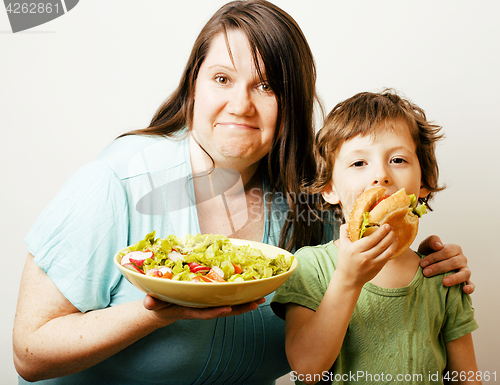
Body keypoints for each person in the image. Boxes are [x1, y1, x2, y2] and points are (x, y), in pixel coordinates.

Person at [13, 2, 473, 384]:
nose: (241, 104)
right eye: (222, 79)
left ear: (291, 101)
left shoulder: (311, 202)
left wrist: (430, 263)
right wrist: (158, 313)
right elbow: (30, 354)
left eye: (267, 85)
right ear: (193, 84)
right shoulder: (117, 181)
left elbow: (362, 290)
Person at [271, 90, 480, 385]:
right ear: (329, 188)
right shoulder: (310, 266)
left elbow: (468, 377)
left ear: (423, 184)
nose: (380, 175)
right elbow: (306, 369)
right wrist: (348, 279)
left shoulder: (442, 276)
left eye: (397, 160)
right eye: (359, 163)